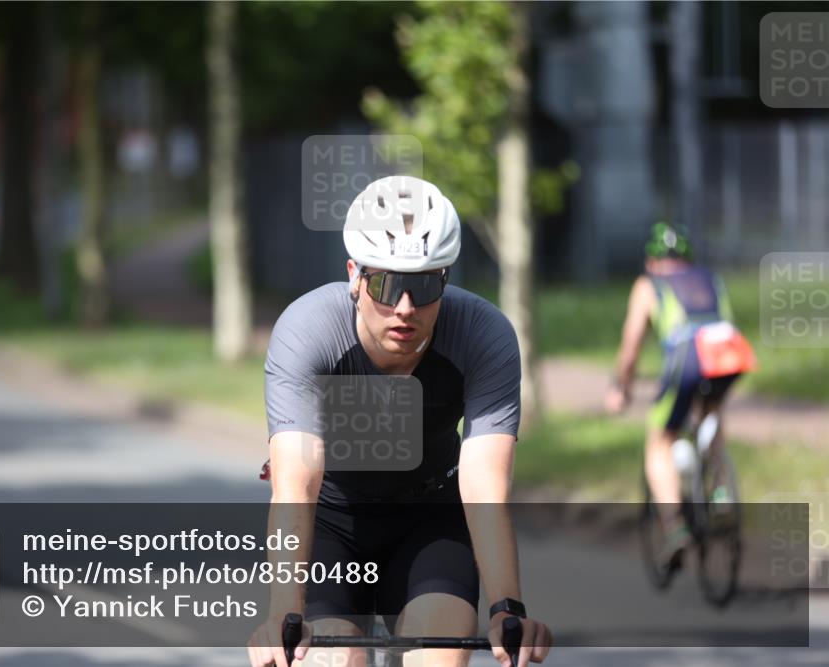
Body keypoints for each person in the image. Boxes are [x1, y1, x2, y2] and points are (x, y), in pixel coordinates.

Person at [247, 176, 552, 667]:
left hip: (429, 524)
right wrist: (284, 612)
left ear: (446, 280)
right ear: (355, 275)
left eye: (424, 285)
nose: (405, 308)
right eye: (387, 285)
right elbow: (295, 484)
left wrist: (506, 608)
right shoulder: (308, 330)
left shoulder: (483, 334)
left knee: (440, 657)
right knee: (335, 659)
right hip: (333, 525)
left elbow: (484, 486)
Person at [604, 222, 755, 565]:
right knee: (711, 414)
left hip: (689, 354)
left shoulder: (648, 284)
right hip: (730, 351)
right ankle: (719, 491)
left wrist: (621, 386)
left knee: (660, 438)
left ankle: (674, 527)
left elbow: (631, 346)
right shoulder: (709, 278)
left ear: (651, 260)